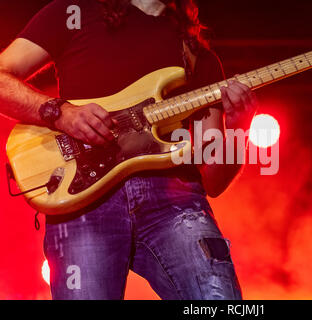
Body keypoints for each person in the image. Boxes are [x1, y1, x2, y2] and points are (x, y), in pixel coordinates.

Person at [0, 0, 257, 300]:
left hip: (174, 202)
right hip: (85, 199)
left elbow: (213, 180)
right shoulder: (72, 12)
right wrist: (62, 113)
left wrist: (241, 129)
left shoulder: (197, 56)